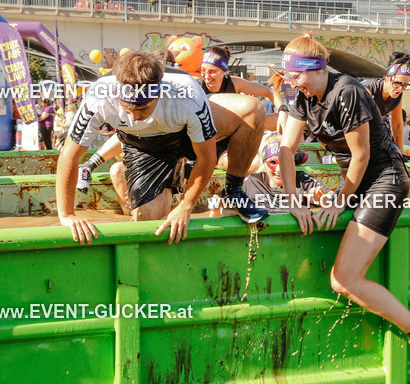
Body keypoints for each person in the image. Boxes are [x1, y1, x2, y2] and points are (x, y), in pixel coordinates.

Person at [276, 34, 410, 380]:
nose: (292, 85)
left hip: (384, 181)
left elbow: (362, 155)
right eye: (289, 79)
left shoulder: (347, 91)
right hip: (355, 183)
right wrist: (293, 201)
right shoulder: (304, 99)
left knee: (344, 278)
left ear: (316, 68)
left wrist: (339, 203)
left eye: (295, 77)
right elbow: (285, 151)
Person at [56, 51, 269, 244]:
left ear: (158, 93)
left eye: (142, 108)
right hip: (144, 146)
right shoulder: (99, 95)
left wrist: (186, 206)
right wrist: (67, 215)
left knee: (252, 109)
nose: (134, 116)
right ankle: (165, 183)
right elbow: (69, 156)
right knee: (150, 227)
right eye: (127, 107)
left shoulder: (186, 93)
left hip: (183, 132)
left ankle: (233, 192)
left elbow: (207, 157)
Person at [240, 139, 327, 214]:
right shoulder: (254, 181)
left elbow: (333, 198)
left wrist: (323, 200)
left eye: (284, 162)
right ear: (264, 164)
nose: (279, 169)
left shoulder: (301, 179)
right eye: (273, 162)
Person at [361, 52, 410, 155]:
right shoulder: (367, 91)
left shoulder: (397, 94)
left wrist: (400, 153)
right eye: (397, 83)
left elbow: (397, 125)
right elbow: (358, 125)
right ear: (386, 77)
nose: (400, 88)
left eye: (405, 85)